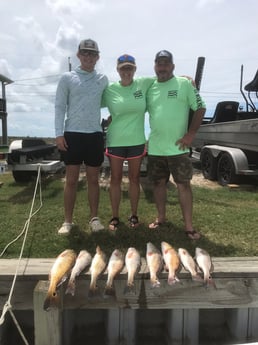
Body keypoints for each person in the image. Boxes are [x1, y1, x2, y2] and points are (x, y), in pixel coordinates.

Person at [146, 50, 206, 239]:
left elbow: (200, 107)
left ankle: (189, 227)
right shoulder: (150, 87)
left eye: (166, 63)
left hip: (178, 148)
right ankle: (161, 218)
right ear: (155, 66)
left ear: (172, 66)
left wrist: (191, 133)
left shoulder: (184, 84)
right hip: (155, 147)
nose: (162, 66)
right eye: (159, 63)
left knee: (183, 186)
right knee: (158, 184)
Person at [55, 38, 108, 235]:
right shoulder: (67, 78)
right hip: (72, 135)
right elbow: (60, 106)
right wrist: (58, 134)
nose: (88, 57)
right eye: (84, 53)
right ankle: (68, 221)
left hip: (94, 135)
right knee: (71, 180)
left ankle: (94, 218)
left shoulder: (102, 79)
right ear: (78, 55)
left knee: (94, 180)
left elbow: (108, 101)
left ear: (97, 57)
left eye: (92, 54)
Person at [102, 54, 154, 230]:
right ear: (117, 70)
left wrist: (184, 78)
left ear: (135, 69)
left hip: (137, 141)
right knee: (115, 179)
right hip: (115, 141)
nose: (126, 71)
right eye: (123, 68)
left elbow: (165, 79)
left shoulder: (144, 83)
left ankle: (133, 215)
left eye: (129, 68)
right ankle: (115, 216)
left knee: (134, 178)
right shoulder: (109, 90)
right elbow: (92, 100)